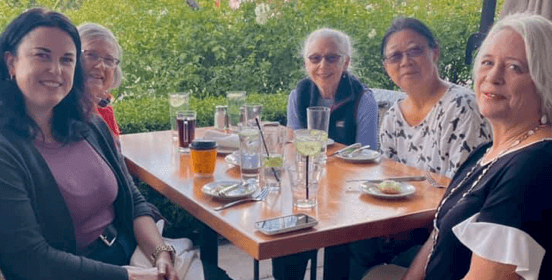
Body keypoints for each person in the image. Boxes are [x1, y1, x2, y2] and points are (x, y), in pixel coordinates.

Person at [364, 13, 552, 280]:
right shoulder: (485, 153)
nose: (493, 76)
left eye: (514, 67)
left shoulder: (534, 166)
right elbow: (438, 235)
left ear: (545, 77)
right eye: (487, 62)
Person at [0, 8, 178, 280]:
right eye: (42, 55)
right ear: (11, 62)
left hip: (131, 254)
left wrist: (161, 254)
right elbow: (29, 260)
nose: (56, 70)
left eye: (67, 59)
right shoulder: (6, 149)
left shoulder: (91, 125)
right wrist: (131, 277)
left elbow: (133, 200)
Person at [378, 17, 491, 178]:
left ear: (435, 52)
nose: (405, 62)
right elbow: (387, 181)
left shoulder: (462, 107)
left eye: (415, 51)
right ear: (386, 67)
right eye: (395, 56)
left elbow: (464, 189)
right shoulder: (393, 117)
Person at [286, 28, 378, 148]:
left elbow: (368, 153)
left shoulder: (364, 100)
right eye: (315, 58)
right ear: (306, 64)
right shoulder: (297, 96)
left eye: (332, 57)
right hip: (308, 165)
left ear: (346, 62)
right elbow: (293, 146)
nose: (323, 65)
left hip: (350, 166)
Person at [78, 23, 122, 144]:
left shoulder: (105, 113)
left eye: (108, 60)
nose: (100, 65)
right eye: (91, 55)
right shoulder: (58, 111)